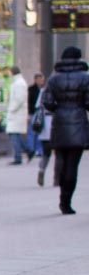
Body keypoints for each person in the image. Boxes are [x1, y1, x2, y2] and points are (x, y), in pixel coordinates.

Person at [41, 46, 89, 215]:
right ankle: (67, 202)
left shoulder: (54, 78)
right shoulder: (85, 77)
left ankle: (62, 197)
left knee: (61, 160)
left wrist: (59, 109)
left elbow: (46, 102)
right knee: (73, 164)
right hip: (78, 122)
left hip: (59, 122)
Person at [5, 66, 34, 164]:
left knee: (14, 135)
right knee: (15, 134)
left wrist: (11, 109)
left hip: (17, 113)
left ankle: (18, 157)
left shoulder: (19, 83)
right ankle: (28, 151)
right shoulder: (17, 82)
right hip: (16, 113)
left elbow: (19, 99)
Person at [28, 71, 45, 157]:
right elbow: (28, 102)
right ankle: (31, 149)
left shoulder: (44, 89)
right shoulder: (31, 89)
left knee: (39, 132)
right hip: (32, 112)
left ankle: (39, 150)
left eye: (41, 79)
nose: (40, 81)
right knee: (32, 132)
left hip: (41, 113)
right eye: (39, 79)